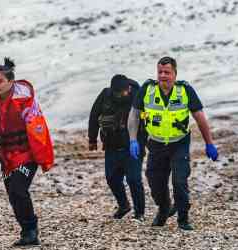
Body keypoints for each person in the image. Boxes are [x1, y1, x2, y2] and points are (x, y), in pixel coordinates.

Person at [128, 56, 218, 230]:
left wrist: (209, 143)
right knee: (155, 183)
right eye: (160, 72)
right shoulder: (147, 89)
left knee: (179, 181)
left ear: (175, 74)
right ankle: (164, 208)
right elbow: (134, 115)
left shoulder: (185, 90)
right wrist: (132, 139)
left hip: (179, 143)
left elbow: (200, 118)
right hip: (155, 144)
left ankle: (183, 219)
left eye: (167, 72)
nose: (163, 75)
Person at [0, 57, 54, 246]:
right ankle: (26, 231)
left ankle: (31, 230)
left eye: (0, 81)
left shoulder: (25, 100)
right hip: (7, 156)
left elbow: (38, 130)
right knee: (12, 194)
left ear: (11, 82)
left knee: (19, 189)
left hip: (28, 154)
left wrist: (44, 159)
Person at [88, 74, 146, 221]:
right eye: (118, 93)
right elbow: (94, 115)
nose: (122, 95)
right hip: (111, 146)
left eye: (124, 92)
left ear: (129, 88)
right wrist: (92, 139)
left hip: (132, 146)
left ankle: (139, 213)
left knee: (134, 180)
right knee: (112, 179)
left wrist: (143, 144)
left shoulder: (138, 96)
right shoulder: (105, 95)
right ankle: (124, 205)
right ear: (112, 91)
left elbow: (146, 122)